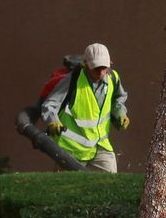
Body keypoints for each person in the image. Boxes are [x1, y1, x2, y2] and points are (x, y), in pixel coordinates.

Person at [36, 42, 128, 172]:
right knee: (68, 189)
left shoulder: (113, 77)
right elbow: (50, 104)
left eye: (104, 68)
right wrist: (53, 121)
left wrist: (120, 112)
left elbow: (119, 98)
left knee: (110, 184)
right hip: (71, 150)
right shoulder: (72, 80)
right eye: (96, 68)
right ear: (86, 65)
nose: (101, 72)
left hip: (100, 147)